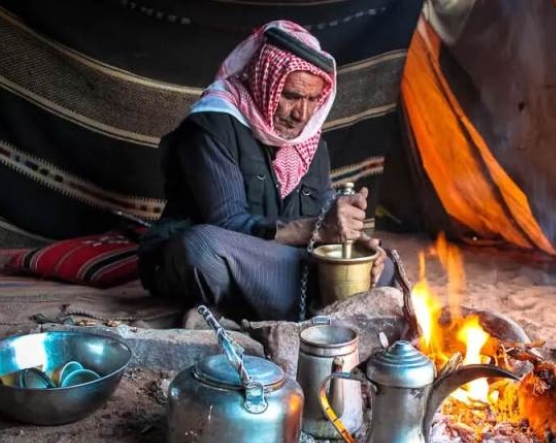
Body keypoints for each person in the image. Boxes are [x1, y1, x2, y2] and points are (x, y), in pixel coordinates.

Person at [138, 20, 393, 321]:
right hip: (222, 255)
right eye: (291, 96)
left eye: (313, 100)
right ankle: (316, 305)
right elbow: (229, 224)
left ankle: (275, 302)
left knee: (383, 265)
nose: (302, 114)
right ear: (264, 82)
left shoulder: (310, 141)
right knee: (203, 249)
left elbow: (322, 215)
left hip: (278, 260)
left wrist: (353, 243)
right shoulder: (213, 126)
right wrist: (317, 230)